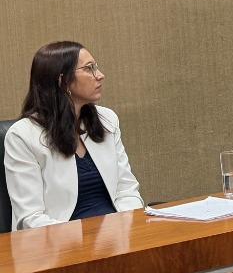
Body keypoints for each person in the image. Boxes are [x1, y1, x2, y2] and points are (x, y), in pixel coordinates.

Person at [5, 42, 143, 230]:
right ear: (62, 81)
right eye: (89, 68)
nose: (100, 75)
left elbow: (127, 190)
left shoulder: (107, 120)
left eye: (96, 67)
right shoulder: (22, 136)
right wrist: (85, 237)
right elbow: (31, 218)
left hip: (116, 235)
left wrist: (127, 228)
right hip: (60, 241)